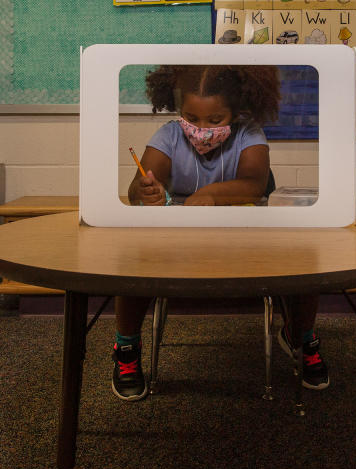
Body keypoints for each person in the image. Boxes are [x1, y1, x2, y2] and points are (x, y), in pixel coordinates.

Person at [114, 64, 329, 400]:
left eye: (215, 121)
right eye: (192, 117)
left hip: (243, 243)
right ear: (179, 111)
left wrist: (211, 195)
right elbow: (134, 189)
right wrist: (144, 192)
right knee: (133, 260)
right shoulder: (169, 136)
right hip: (180, 243)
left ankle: (300, 335)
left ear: (236, 112)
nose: (201, 129)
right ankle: (126, 348)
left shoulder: (249, 133)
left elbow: (255, 184)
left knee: (304, 257)